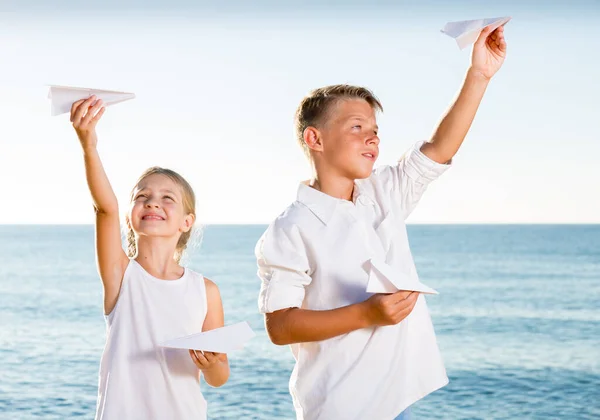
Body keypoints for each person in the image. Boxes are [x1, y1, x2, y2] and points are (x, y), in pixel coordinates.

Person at [255, 25, 507, 419]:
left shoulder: (383, 192)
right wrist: (367, 314)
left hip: (396, 402)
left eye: (375, 131)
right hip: (339, 406)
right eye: (357, 127)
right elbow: (280, 327)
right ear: (314, 140)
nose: (372, 139)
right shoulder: (292, 228)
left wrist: (479, 75)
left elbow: (439, 148)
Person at [70, 96, 229, 420]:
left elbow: (219, 377)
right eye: (142, 196)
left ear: (187, 222)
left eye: (166, 198)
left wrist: (211, 364)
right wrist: (89, 146)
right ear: (130, 216)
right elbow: (105, 208)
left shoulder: (206, 290)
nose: (153, 203)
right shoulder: (121, 275)